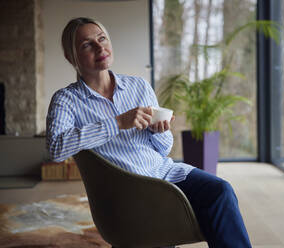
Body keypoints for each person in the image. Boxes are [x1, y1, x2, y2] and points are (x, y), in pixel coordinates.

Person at [46, 17, 252, 248]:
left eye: (102, 38)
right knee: (159, 230)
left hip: (165, 173)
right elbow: (56, 149)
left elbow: (164, 149)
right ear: (70, 57)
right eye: (87, 44)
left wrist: (159, 131)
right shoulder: (66, 100)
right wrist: (117, 122)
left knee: (220, 191)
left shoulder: (139, 86)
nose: (99, 47)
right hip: (128, 190)